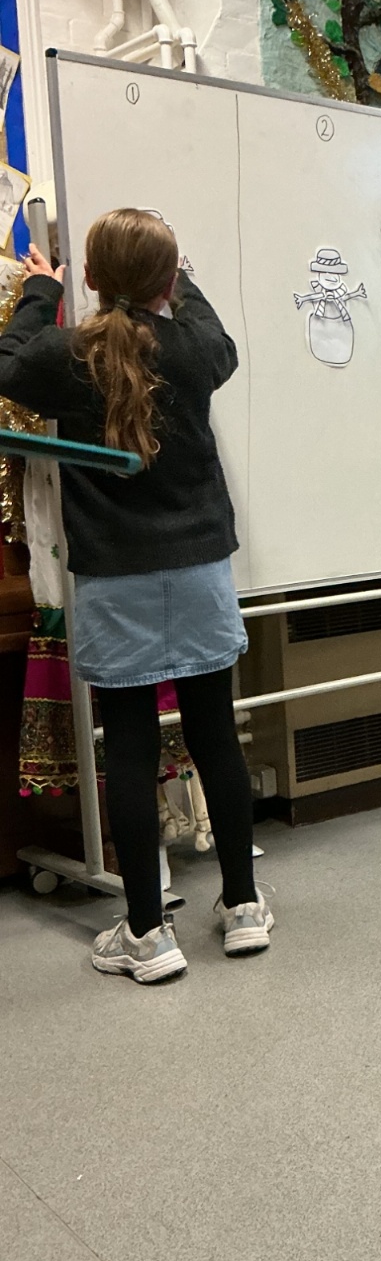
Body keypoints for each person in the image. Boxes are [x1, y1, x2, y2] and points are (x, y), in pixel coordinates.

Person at [0, 210, 272, 981]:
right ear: (169, 279)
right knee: (214, 733)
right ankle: (243, 907)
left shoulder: (65, 354)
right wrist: (177, 279)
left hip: (114, 577)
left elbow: (7, 362)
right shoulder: (193, 349)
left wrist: (39, 290)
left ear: (89, 277)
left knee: (128, 745)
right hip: (199, 569)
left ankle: (148, 935)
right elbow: (217, 338)